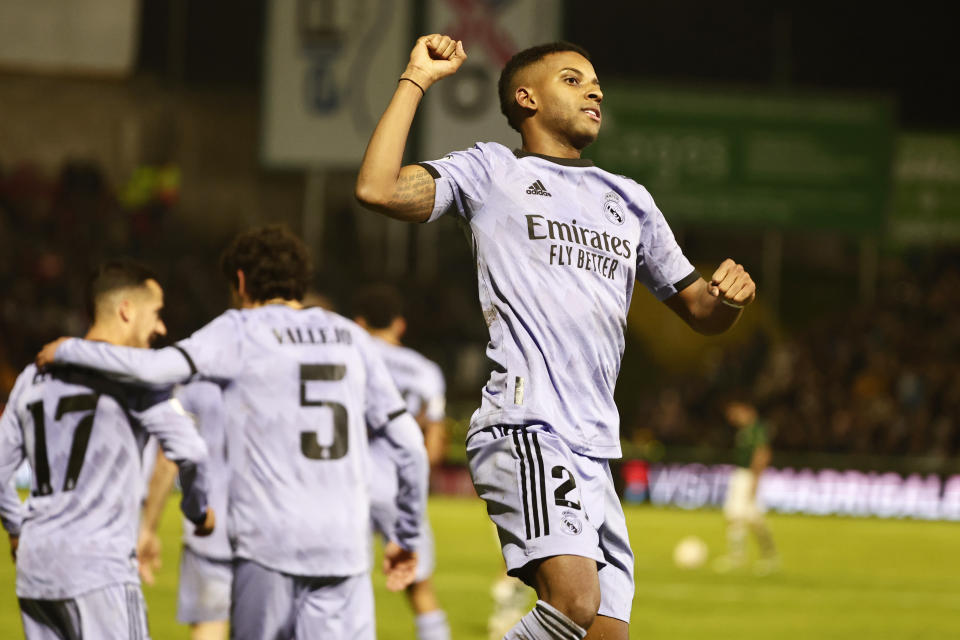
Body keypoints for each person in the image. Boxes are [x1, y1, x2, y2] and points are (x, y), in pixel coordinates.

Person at [355, 35, 757, 640]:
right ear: (526, 98)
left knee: (605, 634)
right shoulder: (494, 170)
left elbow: (698, 309)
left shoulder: (630, 200)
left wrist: (728, 300)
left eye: (595, 81)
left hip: (596, 445)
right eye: (572, 79)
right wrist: (415, 78)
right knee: (572, 602)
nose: (593, 89)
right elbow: (378, 189)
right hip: (528, 423)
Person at [37, 225, 430, 640]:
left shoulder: (241, 330)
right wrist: (405, 535)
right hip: (345, 548)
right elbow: (411, 446)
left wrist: (69, 348)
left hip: (268, 545)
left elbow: (153, 369)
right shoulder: (353, 338)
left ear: (240, 281)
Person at [0, 260, 214, 639]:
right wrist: (197, 509)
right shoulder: (135, 377)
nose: (161, 327)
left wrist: (16, 531)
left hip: (37, 571)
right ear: (126, 310)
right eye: (157, 314)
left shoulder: (34, 373)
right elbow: (191, 451)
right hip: (100, 570)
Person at [352, 284, 451, 640]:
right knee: (421, 591)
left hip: (353, 484)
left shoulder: (352, 357)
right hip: (401, 487)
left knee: (346, 591)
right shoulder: (424, 370)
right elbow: (434, 444)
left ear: (359, 322)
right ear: (400, 324)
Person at [138, 381, 231, 640]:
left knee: (208, 628)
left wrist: (148, 528)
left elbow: (169, 460)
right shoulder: (275, 373)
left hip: (209, 535)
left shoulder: (196, 386)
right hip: (265, 533)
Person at [714, 399, 779, 575]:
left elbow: (762, 453)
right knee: (734, 515)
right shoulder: (744, 431)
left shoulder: (756, 430)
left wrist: (756, 478)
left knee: (752, 517)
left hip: (749, 476)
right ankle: (737, 556)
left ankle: (769, 555)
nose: (733, 418)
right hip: (740, 474)